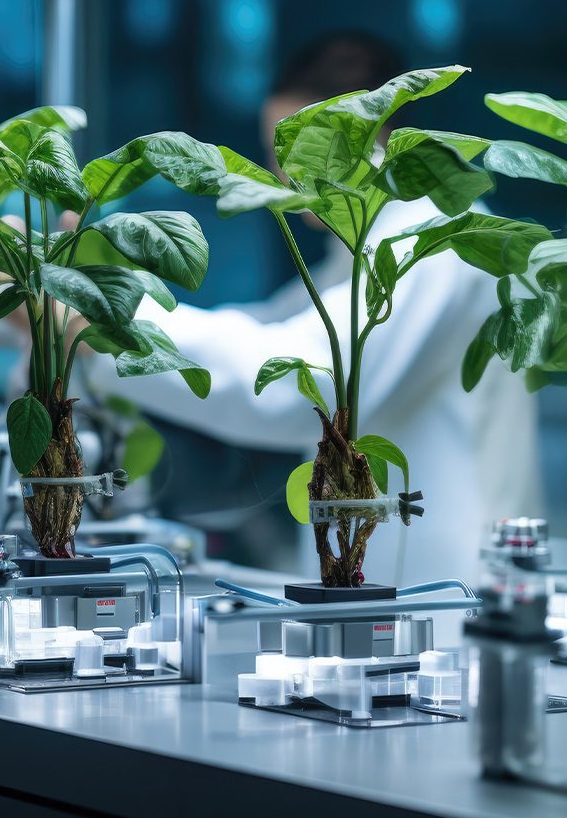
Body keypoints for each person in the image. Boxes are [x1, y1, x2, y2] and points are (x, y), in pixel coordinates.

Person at [79, 32, 542, 587]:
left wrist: (93, 319)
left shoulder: (434, 233)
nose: (281, 180)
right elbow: (267, 328)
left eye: (292, 158)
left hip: (451, 587)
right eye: (275, 161)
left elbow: (298, 380)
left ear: (371, 136)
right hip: (379, 576)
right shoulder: (359, 250)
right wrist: (91, 288)